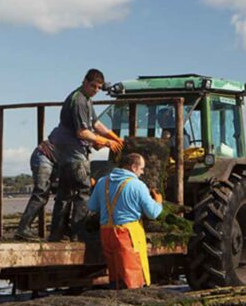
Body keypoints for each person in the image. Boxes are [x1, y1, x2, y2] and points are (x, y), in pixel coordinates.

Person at [48, 69, 124, 241]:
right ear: (84, 82)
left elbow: (95, 124)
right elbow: (82, 132)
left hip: (67, 151)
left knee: (65, 193)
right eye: (93, 86)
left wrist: (114, 137)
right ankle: (78, 233)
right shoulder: (79, 101)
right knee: (83, 190)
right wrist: (106, 142)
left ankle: (57, 233)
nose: (95, 90)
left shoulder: (87, 99)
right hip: (73, 151)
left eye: (98, 88)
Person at [87, 153, 163, 289]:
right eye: (141, 168)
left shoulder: (102, 182)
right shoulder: (138, 185)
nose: (142, 172)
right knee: (131, 278)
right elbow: (152, 213)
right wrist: (158, 202)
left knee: (115, 275)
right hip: (128, 234)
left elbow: (92, 206)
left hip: (106, 232)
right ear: (133, 167)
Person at [14, 139, 61, 240]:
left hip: (55, 161)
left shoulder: (85, 140)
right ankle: (23, 229)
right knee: (41, 194)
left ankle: (59, 230)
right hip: (44, 156)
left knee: (63, 193)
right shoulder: (83, 134)